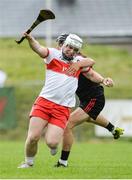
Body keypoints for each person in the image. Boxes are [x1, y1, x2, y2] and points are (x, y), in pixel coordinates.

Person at [18, 33, 95, 168]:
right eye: (68, 47)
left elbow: (91, 61)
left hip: (62, 108)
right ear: (63, 45)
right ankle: (28, 163)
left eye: (73, 49)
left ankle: (53, 144)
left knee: (52, 143)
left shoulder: (77, 61)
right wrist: (31, 39)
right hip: (44, 102)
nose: (69, 50)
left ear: (76, 52)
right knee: (33, 137)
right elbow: (38, 49)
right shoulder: (53, 54)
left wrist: (79, 65)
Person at [54, 34, 124, 167]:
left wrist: (103, 80)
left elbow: (91, 72)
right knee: (89, 117)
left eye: (60, 44)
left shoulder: (78, 60)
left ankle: (62, 162)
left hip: (94, 98)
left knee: (67, 125)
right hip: (86, 98)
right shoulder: (61, 59)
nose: (58, 47)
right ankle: (114, 129)